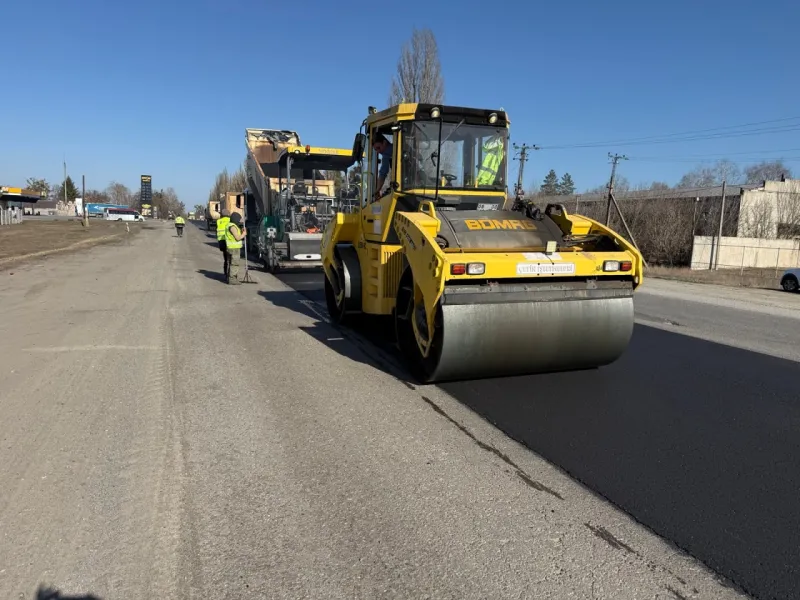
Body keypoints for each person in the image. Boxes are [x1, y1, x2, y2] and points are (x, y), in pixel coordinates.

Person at [224, 213, 247, 285]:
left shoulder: (230, 225)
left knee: (231, 263)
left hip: (230, 248)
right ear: (235, 219)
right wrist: (244, 234)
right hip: (234, 249)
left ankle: (230, 277)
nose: (239, 221)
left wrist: (241, 231)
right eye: (239, 219)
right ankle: (232, 279)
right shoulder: (233, 227)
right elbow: (237, 238)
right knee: (234, 264)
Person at [372, 133, 392, 202]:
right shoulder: (386, 154)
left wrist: (377, 190)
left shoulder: (388, 153)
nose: (378, 151)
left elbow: (383, 173)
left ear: (384, 142)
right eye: (376, 150)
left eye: (378, 148)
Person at [216, 209, 231, 280]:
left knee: (225, 258)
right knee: (230, 258)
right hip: (229, 241)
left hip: (221, 242)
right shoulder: (230, 220)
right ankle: (230, 273)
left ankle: (225, 272)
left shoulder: (218, 221)